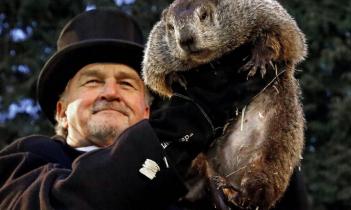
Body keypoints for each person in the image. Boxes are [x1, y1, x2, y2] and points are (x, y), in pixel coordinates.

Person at [0, 8, 309, 210]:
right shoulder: (26, 161)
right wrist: (183, 126)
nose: (111, 93)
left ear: (147, 110)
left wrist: (259, 131)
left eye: (127, 84)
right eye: (92, 82)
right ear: (60, 110)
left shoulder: (194, 179)